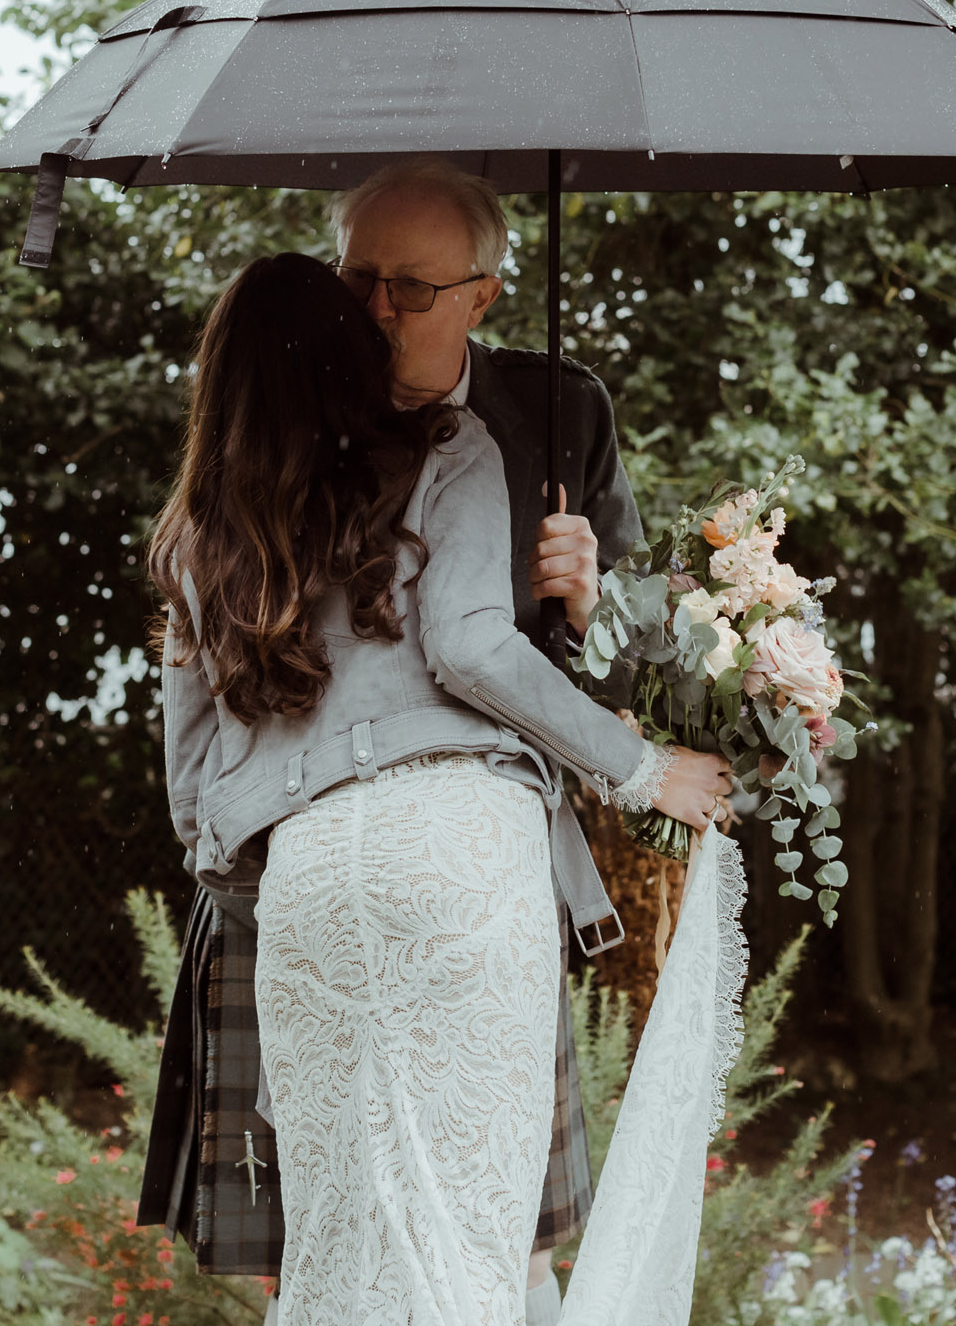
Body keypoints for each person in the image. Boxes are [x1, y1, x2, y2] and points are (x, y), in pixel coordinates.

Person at [147, 252, 732, 1326]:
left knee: (333, 1244)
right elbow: (471, 651)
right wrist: (646, 769)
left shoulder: (197, 537)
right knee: (482, 1231)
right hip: (465, 852)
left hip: (305, 879)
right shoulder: (452, 449)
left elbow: (194, 800)